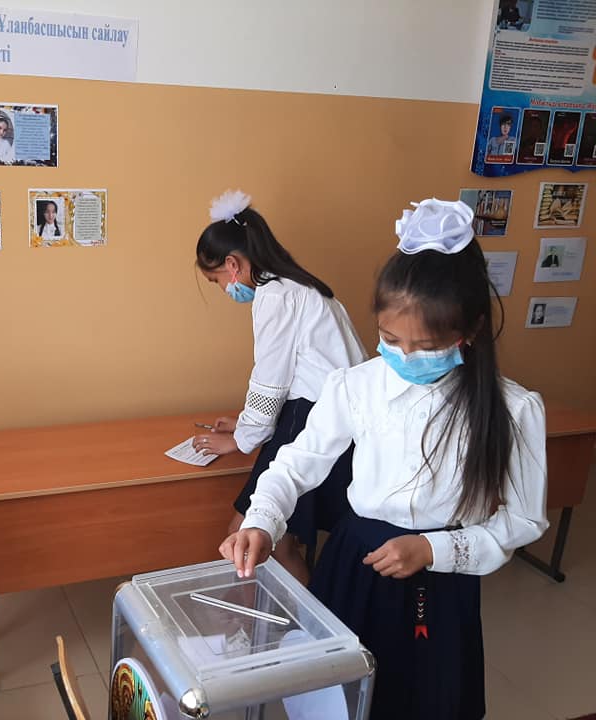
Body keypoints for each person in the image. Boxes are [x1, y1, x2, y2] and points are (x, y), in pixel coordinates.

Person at [221, 198, 548, 720]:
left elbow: (523, 520)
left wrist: (434, 550)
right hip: (355, 562)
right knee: (338, 697)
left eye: (426, 345)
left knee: (426, 697)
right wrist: (262, 519)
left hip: (439, 576)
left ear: (469, 332)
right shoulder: (357, 386)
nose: (404, 357)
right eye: (390, 340)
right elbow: (296, 462)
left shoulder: (513, 409)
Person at [193, 189, 366, 584]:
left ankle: (303, 618)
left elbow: (270, 380)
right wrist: (243, 423)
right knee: (274, 539)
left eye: (216, 280)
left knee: (253, 538)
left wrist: (240, 441)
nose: (223, 289)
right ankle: (302, 612)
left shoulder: (275, 297)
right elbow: (295, 374)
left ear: (232, 265)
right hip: (333, 414)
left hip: (312, 418)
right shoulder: (300, 286)